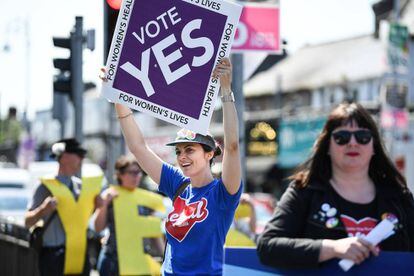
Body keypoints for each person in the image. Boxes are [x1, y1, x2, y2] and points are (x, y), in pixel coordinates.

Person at [107, 57, 242, 275]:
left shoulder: (223, 193)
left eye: (190, 150)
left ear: (209, 154)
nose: (182, 157)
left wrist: (226, 90)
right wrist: (118, 97)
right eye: (178, 151)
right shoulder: (178, 186)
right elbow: (137, 147)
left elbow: (233, 146)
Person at [257, 103, 414, 269]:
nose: (353, 143)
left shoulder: (398, 196)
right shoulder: (305, 191)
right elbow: (267, 246)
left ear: (374, 146)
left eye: (362, 136)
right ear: (327, 146)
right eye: (342, 137)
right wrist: (332, 248)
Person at [25, 138, 102, 276]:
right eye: (79, 155)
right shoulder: (46, 186)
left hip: (79, 254)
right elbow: (27, 221)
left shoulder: (81, 187)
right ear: (65, 157)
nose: (82, 159)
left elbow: (82, 220)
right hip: (54, 256)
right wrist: (43, 209)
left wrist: (96, 207)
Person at [94, 155, 165, 276]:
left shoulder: (146, 199)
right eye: (132, 172)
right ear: (120, 174)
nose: (137, 176)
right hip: (114, 261)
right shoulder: (110, 195)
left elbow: (154, 232)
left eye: (139, 172)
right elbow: (98, 227)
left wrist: (165, 258)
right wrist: (104, 204)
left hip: (138, 261)